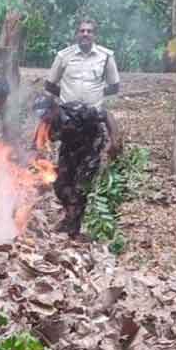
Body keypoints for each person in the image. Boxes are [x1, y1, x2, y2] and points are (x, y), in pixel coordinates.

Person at [38, 18, 121, 237]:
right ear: (76, 34)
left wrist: (92, 101)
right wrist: (69, 104)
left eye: (89, 31)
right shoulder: (64, 56)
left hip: (92, 124)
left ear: (95, 35)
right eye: (82, 30)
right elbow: (49, 85)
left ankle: (73, 224)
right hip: (69, 126)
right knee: (62, 181)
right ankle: (70, 215)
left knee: (84, 179)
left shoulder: (106, 56)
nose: (85, 34)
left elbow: (114, 86)